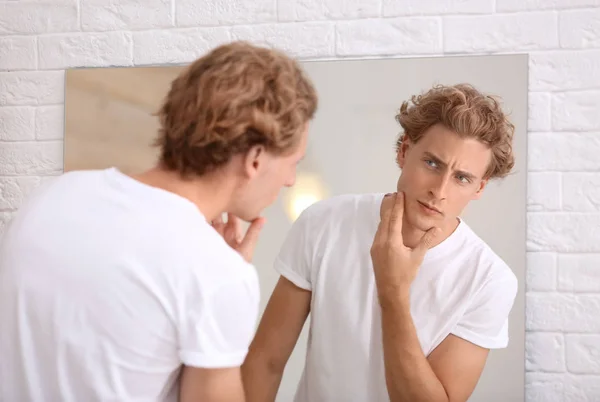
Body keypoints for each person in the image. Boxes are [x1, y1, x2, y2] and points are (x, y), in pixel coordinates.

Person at [0, 41, 318, 402]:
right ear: (256, 158)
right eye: (294, 162)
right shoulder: (214, 272)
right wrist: (222, 293)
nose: (291, 179)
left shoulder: (50, 196)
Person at [242, 83, 519, 402]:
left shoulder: (489, 281)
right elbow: (266, 362)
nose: (439, 190)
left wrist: (393, 291)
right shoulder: (324, 222)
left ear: (479, 188)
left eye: (462, 178)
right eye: (432, 163)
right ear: (404, 151)